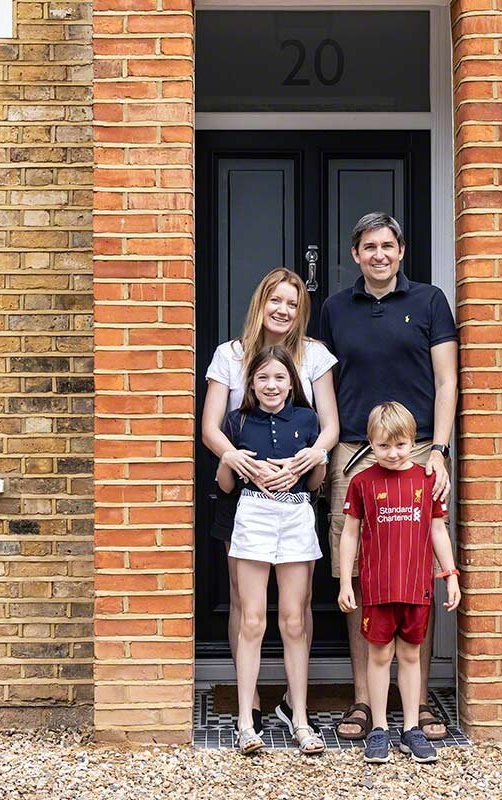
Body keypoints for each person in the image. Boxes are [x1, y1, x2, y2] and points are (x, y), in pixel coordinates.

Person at [320, 212, 459, 742]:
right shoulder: (334, 308)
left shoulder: (428, 302)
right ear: (355, 255)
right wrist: (329, 447)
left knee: (415, 567)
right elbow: (325, 382)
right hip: (355, 450)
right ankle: (363, 701)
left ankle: (418, 705)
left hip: (418, 449)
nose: (379, 255)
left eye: (387, 245)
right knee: (355, 575)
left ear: (401, 251)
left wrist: (440, 451)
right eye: (368, 247)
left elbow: (447, 381)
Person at [201, 268, 339, 733]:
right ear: (260, 303)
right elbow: (211, 427)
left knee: (296, 611)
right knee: (245, 602)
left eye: (292, 303)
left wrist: (310, 458)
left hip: (295, 492)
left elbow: (330, 425)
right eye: (275, 300)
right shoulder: (230, 354)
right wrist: (239, 460)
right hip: (242, 492)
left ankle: (294, 704)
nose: (282, 310)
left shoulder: (315, 355)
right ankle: (250, 702)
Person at [216, 346, 327, 756]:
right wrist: (234, 458)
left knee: (295, 620)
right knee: (252, 619)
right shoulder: (237, 420)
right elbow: (225, 485)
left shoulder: (307, 419)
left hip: (296, 514)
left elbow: (316, 483)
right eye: (262, 378)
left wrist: (312, 459)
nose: (271, 386)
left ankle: (299, 717)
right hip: (253, 514)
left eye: (279, 378)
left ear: (291, 382)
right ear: (251, 383)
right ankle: (246, 721)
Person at [337, 402, 461, 763]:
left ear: (412, 441)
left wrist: (450, 575)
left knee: (409, 655)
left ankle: (410, 729)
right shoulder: (361, 482)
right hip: (377, 589)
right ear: (370, 444)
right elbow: (349, 535)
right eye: (383, 446)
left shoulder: (427, 480)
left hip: (416, 586)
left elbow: (438, 531)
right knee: (379, 657)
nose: (393, 453)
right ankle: (378, 729)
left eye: (401, 445)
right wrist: (347, 581)